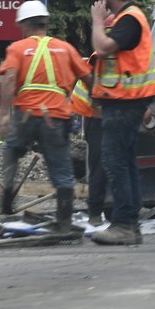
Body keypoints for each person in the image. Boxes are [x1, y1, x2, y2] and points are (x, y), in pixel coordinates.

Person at [0, 0, 90, 233]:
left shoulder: (17, 49)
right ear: (45, 23)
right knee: (61, 168)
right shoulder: (65, 48)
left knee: (11, 151)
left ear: (25, 26)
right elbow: (88, 78)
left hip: (25, 114)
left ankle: (6, 205)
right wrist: (100, 101)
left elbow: (9, 80)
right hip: (56, 116)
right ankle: (65, 222)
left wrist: (3, 115)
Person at [87, 0, 155, 246]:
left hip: (123, 104)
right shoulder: (127, 19)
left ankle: (124, 225)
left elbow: (103, 47)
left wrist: (96, 20)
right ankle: (129, 222)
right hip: (127, 103)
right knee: (125, 162)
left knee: (115, 162)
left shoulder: (129, 19)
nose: (96, 1)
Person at [71, 71, 109, 226]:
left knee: (109, 164)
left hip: (100, 114)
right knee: (99, 166)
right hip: (96, 116)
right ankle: (95, 213)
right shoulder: (103, 56)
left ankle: (126, 209)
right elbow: (95, 98)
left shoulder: (109, 55)